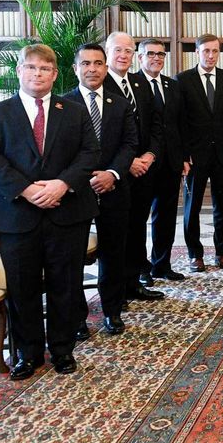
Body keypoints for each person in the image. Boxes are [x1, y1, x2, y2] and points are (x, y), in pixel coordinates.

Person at [0, 44, 99, 379]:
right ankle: (27, 354)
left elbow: (90, 152)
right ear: (19, 71)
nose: (37, 74)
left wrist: (62, 184)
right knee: (22, 287)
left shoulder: (74, 111)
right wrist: (28, 190)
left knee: (65, 284)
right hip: (16, 214)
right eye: (31, 67)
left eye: (45, 69)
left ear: (55, 74)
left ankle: (62, 350)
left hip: (67, 211)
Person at [64, 43, 138, 338]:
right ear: (75, 69)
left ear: (106, 68)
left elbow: (130, 144)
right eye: (86, 63)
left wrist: (112, 173)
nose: (92, 69)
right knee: (73, 256)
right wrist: (82, 178)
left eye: (98, 63)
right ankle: (77, 317)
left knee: (114, 253)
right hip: (76, 193)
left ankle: (112, 311)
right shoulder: (62, 105)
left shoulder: (120, 104)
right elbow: (59, 152)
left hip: (114, 188)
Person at [102, 32, 166, 303]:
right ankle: (114, 294)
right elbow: (101, 136)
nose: (123, 55)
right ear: (107, 52)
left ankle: (133, 283)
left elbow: (156, 124)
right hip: (116, 174)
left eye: (128, 50)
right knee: (117, 235)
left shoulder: (140, 83)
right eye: (118, 50)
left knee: (138, 228)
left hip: (144, 171)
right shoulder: (99, 84)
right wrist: (127, 162)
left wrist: (150, 155)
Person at [177, 34, 223, 272]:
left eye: (215, 51)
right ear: (197, 52)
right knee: (192, 206)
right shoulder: (183, 80)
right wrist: (184, 155)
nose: (211, 55)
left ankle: (222, 253)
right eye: (206, 51)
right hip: (195, 155)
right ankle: (195, 255)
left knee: (222, 205)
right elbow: (179, 121)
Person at [131, 39, 191, 282]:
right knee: (139, 218)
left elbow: (181, 123)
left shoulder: (172, 85)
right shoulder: (132, 84)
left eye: (160, 54)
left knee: (166, 217)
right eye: (151, 54)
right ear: (140, 57)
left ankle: (161, 264)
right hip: (144, 163)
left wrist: (184, 157)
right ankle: (140, 268)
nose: (156, 58)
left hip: (171, 162)